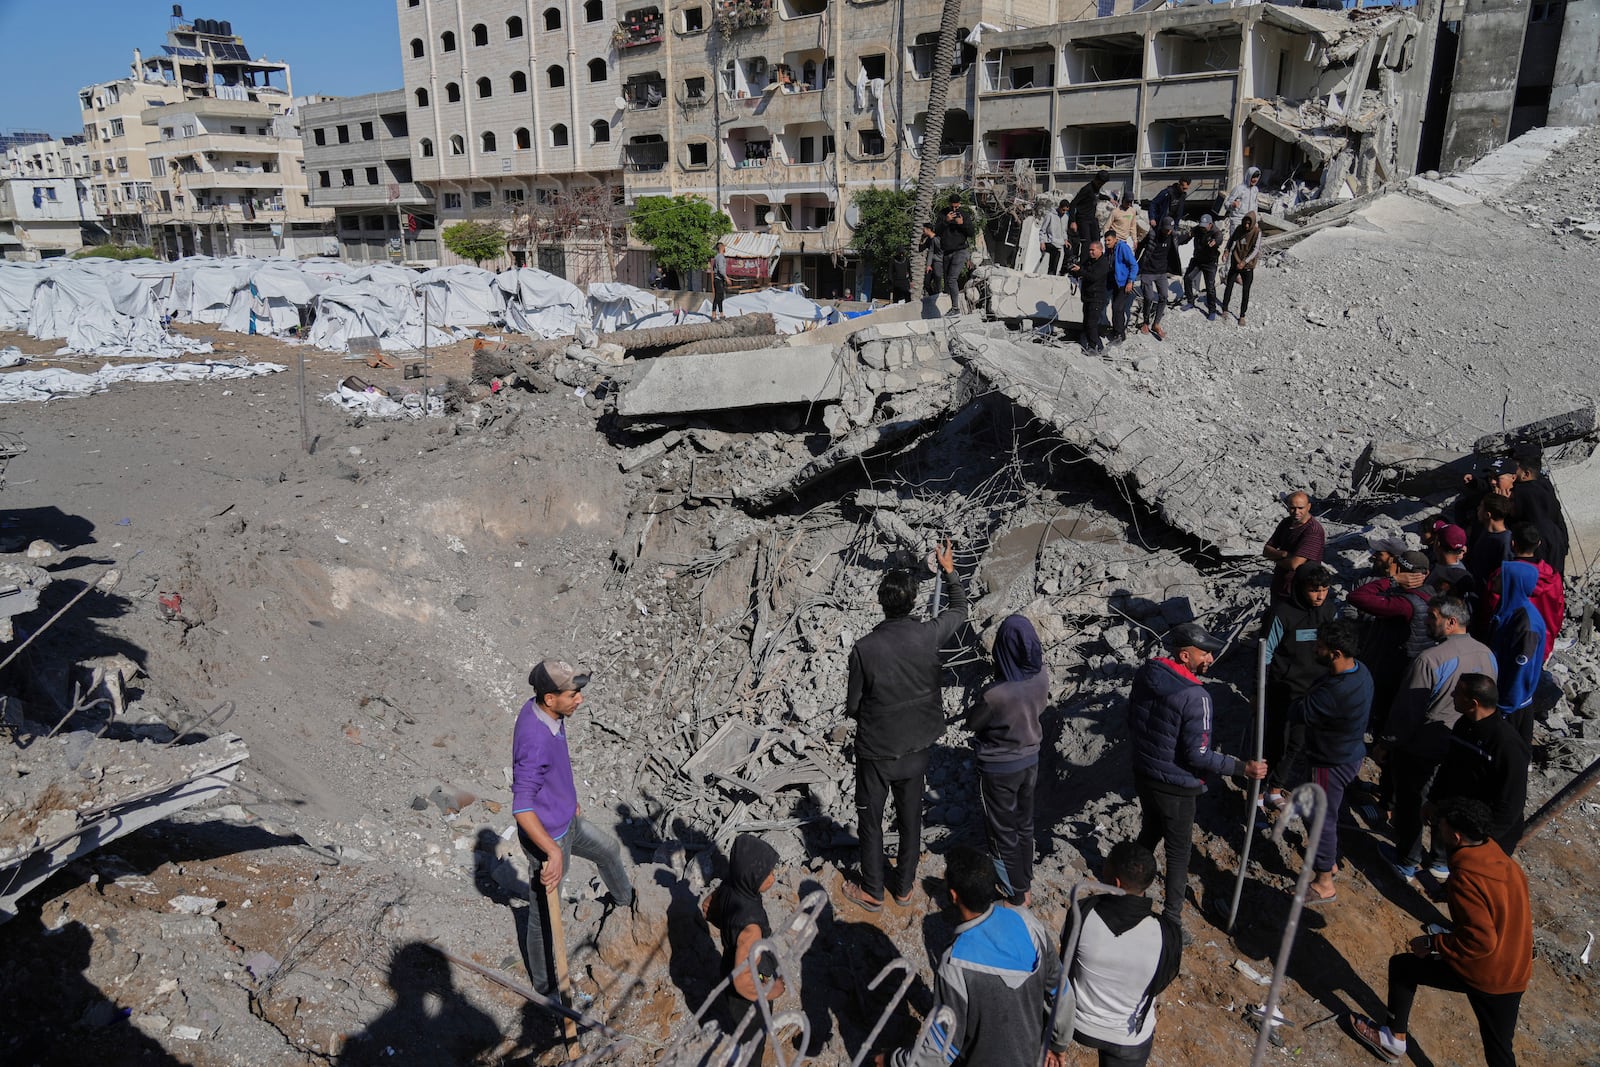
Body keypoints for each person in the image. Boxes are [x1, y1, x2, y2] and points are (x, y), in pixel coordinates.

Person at [1350, 797, 1531, 1067]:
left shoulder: (1466, 879)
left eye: (1441, 827)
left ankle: (1392, 1040)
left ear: (1456, 837)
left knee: (1403, 967)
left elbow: (1481, 940)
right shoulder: (1503, 863)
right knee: (1500, 1051)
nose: (1437, 829)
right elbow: (1495, 905)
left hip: (1485, 973)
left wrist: (1434, 943)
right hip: (1516, 970)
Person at [844, 540, 968, 911]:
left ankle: (872, 890)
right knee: (910, 817)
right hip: (917, 748)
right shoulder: (928, 634)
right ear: (913, 601)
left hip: (877, 751)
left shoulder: (865, 649)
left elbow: (853, 706)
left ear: (883, 602)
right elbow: (960, 609)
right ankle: (904, 887)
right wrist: (948, 570)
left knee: (870, 819)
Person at [1127, 621, 1268, 925]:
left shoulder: (1147, 672)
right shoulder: (1197, 697)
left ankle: (1127, 887)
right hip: (1177, 786)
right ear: (1184, 655)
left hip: (1145, 774)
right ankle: (1172, 919)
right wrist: (1241, 768)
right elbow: (1198, 755)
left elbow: (1132, 719)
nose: (1210, 659)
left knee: (1150, 831)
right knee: (1178, 854)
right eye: (1204, 653)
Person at [513, 660, 635, 998]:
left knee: (608, 850)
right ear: (550, 698)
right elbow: (522, 807)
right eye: (573, 694)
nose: (579, 699)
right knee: (542, 918)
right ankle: (546, 988)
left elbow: (555, 769)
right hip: (548, 837)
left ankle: (626, 908)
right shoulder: (534, 740)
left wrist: (570, 798)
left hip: (566, 819)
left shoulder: (550, 713)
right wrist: (551, 852)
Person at [887, 846, 1070, 1067]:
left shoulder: (955, 964)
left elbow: (938, 1054)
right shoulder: (1027, 923)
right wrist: (1057, 1044)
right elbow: (1062, 995)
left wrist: (891, 1060)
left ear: (954, 896)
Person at [1377, 597, 1497, 880]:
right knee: (1448, 801)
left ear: (1451, 622)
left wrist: (1387, 743)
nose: (1427, 622)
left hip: (1424, 746)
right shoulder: (1487, 654)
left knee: (1412, 802)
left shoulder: (1430, 659)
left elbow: (1408, 710)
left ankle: (1406, 859)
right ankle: (1440, 861)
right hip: (1463, 747)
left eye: (1432, 617)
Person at [1065, 842, 1182, 1067]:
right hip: (1128, 1036)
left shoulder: (1083, 912)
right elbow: (1163, 980)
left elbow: (1067, 963)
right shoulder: (1166, 933)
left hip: (1079, 1023)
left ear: (1115, 882)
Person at [1289, 620, 1373, 904]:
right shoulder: (1360, 671)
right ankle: (1330, 861)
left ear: (1335, 653)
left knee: (1320, 819)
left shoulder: (1335, 693)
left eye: (1320, 647)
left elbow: (1299, 711)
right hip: (1347, 753)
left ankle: (1324, 880)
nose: (1316, 649)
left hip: (1329, 762)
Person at [967, 614, 1048, 905]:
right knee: (1024, 824)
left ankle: (1017, 893)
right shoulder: (1041, 677)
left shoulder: (996, 694)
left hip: (1000, 767)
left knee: (1002, 831)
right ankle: (1025, 878)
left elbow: (973, 723)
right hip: (1030, 760)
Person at [1261, 563, 1337, 810]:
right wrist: (1258, 690)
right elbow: (1266, 654)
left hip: (1314, 690)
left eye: (1324, 589)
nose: (1320, 595)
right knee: (1274, 740)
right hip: (1284, 689)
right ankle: (1260, 790)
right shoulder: (1282, 613)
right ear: (1300, 587)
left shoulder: (1328, 611)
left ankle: (1275, 787)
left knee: (1296, 743)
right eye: (1314, 590)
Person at [1428, 674, 1530, 855]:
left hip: (1486, 836)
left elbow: (1511, 803)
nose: (1452, 695)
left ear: (1474, 703)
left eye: (1458, 693)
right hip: (1461, 821)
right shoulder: (1463, 725)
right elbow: (1448, 767)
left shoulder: (1507, 745)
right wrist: (1434, 801)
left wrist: (1484, 840)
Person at [702, 834, 785, 1058]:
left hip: (728, 961)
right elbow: (743, 980)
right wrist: (773, 989)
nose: (772, 877)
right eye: (766, 874)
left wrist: (729, 930)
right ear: (751, 877)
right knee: (753, 1037)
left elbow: (707, 906)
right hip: (747, 987)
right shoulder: (751, 927)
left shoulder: (730, 886)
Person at [1487, 560, 1547, 747]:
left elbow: (1520, 673)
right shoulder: (1508, 610)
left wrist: (1504, 707)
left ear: (1513, 582)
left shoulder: (1526, 625)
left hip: (1512, 706)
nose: (1495, 579)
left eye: (1500, 576)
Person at [1482, 524, 1563, 662]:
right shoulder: (1552, 577)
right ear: (1538, 543)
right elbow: (1558, 611)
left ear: (1512, 543)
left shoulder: (1503, 576)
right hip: (1541, 642)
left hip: (1507, 644)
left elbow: (1490, 608)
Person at [1511, 445, 1569, 577]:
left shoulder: (1523, 491)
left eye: (1514, 469)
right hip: (1556, 540)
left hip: (1539, 546)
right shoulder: (1544, 484)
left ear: (1526, 474)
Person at [1262, 491, 1326, 603]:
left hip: (1300, 591)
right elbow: (1266, 549)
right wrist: (1284, 554)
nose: (1297, 512)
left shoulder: (1313, 531)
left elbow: (1294, 564)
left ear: (1308, 507)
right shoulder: (1286, 523)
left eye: (1300, 508)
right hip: (1280, 587)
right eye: (1292, 508)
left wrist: (1274, 558)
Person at [1135, 217, 1180, 341]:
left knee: (1164, 296)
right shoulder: (1152, 235)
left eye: (1170, 230)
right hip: (1148, 271)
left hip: (1161, 272)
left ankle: (1156, 324)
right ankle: (1145, 322)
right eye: (1166, 230)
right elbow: (1140, 247)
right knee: (1148, 297)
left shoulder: (1174, 236)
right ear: (1161, 227)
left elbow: (1182, 241)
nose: (1168, 232)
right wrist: (1135, 263)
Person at [1465, 493, 1514, 598]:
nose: (1478, 509)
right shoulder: (1484, 531)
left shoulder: (1505, 541)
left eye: (1481, 506)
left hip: (1490, 596)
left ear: (1488, 514)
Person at [934, 195, 975, 316]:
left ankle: (956, 308)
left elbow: (971, 232)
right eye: (952, 206)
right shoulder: (943, 214)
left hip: (960, 251)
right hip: (947, 251)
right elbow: (937, 231)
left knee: (952, 279)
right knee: (947, 281)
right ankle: (953, 307)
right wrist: (946, 221)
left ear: (960, 204)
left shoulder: (964, 215)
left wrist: (962, 224)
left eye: (956, 206)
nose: (954, 209)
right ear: (949, 204)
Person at [1072, 240, 1113, 354]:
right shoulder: (1089, 261)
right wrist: (1076, 270)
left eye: (1093, 250)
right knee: (1086, 323)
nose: (1091, 252)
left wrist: (1081, 271)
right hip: (1087, 297)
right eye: (1089, 250)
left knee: (1092, 323)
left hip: (1097, 298)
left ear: (1100, 250)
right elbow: (1082, 271)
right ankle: (1092, 346)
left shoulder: (1103, 263)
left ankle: (1095, 347)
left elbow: (1093, 277)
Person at [1220, 212, 1260, 327]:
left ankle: (1242, 315)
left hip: (1247, 266)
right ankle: (1225, 308)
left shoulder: (1257, 232)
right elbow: (1231, 240)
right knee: (1229, 286)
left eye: (1249, 223)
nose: (1246, 226)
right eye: (1245, 223)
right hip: (1235, 261)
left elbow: (1255, 250)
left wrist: (1244, 262)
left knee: (1246, 291)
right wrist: (1226, 251)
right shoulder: (1239, 229)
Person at [1180, 214, 1222, 319]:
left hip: (1210, 262)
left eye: (1205, 226)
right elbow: (1187, 236)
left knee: (1210, 287)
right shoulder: (1198, 229)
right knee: (1187, 278)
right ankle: (1190, 301)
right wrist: (1178, 241)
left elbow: (1219, 238)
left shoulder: (1216, 232)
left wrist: (1215, 242)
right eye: (1201, 225)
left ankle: (1212, 310)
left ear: (1210, 224)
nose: (1202, 228)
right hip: (1198, 259)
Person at [1069, 169, 1111, 260]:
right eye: (1100, 183)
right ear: (1096, 180)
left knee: (1096, 241)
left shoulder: (1096, 189)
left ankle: (1095, 263)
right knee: (1087, 243)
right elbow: (1073, 204)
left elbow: (1097, 196)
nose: (1101, 185)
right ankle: (1083, 265)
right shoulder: (1086, 189)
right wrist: (1073, 221)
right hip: (1083, 219)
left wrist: (1109, 198)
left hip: (1092, 218)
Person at [1105, 229, 1138, 344]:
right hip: (1114, 283)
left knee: (1118, 308)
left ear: (1115, 239)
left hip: (1124, 283)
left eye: (1109, 240)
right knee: (1115, 307)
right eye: (1105, 240)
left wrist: (1130, 281)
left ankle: (1120, 333)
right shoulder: (1109, 250)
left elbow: (1134, 265)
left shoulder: (1123, 248)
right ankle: (1116, 331)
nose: (1107, 243)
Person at [1222, 166, 1261, 237]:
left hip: (1250, 221)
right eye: (1253, 177)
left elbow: (1255, 206)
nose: (1255, 180)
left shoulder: (1255, 190)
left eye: (1257, 178)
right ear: (1248, 176)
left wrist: (1255, 219)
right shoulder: (1239, 189)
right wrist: (1232, 205)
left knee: (1247, 244)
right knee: (1234, 243)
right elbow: (1226, 204)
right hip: (1238, 220)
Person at [1040, 199, 1070, 276]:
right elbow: (1043, 230)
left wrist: (1065, 240)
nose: (1064, 212)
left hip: (1060, 243)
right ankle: (1051, 272)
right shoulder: (1050, 215)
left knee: (1068, 252)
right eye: (1063, 210)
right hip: (1050, 241)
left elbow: (1064, 231)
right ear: (1060, 207)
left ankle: (1062, 272)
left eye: (1066, 211)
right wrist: (1042, 242)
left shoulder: (1065, 217)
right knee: (1055, 253)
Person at [919, 221, 943, 296]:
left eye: (924, 230)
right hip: (930, 264)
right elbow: (920, 249)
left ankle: (938, 296)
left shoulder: (937, 238)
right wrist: (922, 239)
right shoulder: (928, 240)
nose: (923, 231)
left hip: (938, 263)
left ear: (928, 229)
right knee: (926, 283)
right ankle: (932, 296)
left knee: (937, 281)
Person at [711, 241, 729, 319]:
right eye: (724, 247)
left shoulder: (716, 257)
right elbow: (721, 270)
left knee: (719, 297)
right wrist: (727, 278)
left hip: (717, 279)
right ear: (722, 248)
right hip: (719, 279)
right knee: (719, 297)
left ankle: (719, 313)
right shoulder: (721, 257)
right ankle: (715, 314)